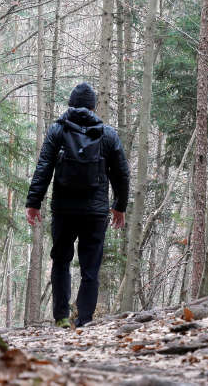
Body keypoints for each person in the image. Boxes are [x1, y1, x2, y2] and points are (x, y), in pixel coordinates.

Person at [25, 82, 130, 328]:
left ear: (71, 104)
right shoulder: (108, 134)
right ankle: (84, 320)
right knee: (90, 267)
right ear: (93, 107)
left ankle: (61, 318)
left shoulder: (57, 131)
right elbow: (122, 174)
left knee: (61, 260)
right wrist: (119, 206)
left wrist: (34, 202)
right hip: (94, 212)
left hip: (63, 209)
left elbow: (44, 168)